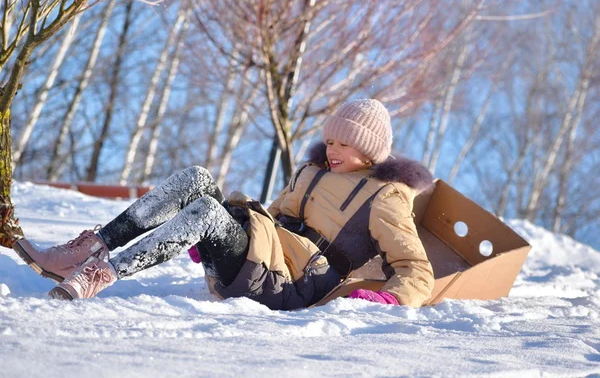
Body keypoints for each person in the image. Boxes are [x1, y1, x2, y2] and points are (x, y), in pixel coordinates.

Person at [13, 99, 435, 309]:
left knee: (210, 213)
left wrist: (390, 301)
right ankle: (89, 249)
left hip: (297, 283)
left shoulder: (386, 196)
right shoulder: (311, 172)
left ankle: (102, 274)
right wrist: (227, 236)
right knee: (198, 178)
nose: (333, 150)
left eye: (345, 143)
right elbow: (271, 222)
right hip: (267, 258)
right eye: (329, 141)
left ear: (370, 150)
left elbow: (416, 268)